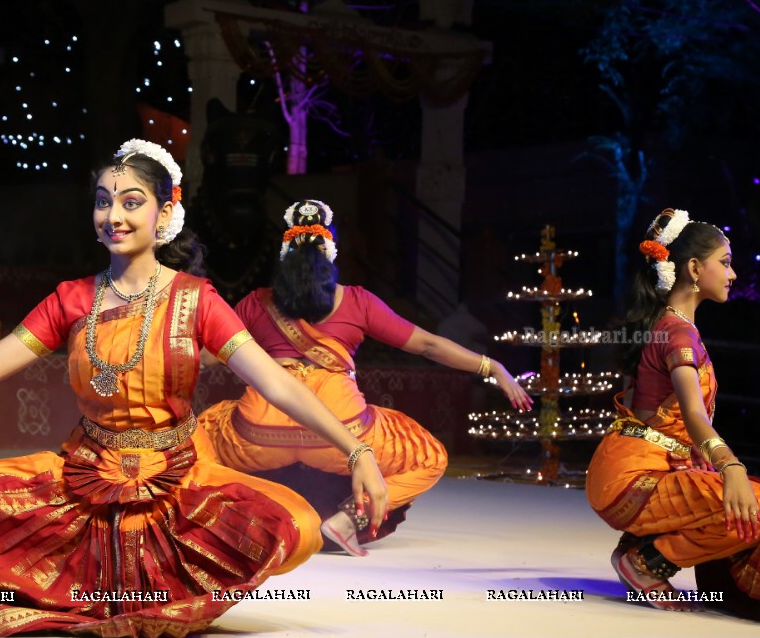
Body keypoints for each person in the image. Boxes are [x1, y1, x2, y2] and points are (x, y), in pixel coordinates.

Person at [0, 140, 388, 638]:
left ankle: (137, 590)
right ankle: (93, 592)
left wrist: (355, 449)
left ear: (165, 213)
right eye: (104, 202)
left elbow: (273, 380)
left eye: (132, 202)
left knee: (297, 524)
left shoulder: (196, 299)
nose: (114, 216)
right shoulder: (72, 299)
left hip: (175, 480)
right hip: (83, 475)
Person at [199, 200, 533, 556]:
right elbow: (428, 345)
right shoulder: (357, 302)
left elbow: (205, 358)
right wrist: (491, 366)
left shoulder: (255, 302)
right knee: (428, 456)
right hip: (342, 435)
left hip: (258, 435)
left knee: (201, 435)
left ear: (284, 255)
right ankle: (346, 520)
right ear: (331, 254)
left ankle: (230, 520)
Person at [587, 208, 760, 622]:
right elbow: (692, 413)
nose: (732, 274)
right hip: (636, 478)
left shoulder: (667, 325)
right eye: (725, 263)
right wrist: (731, 466)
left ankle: (642, 546)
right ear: (694, 268)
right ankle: (647, 562)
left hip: (639, 468)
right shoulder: (677, 332)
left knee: (758, 499)